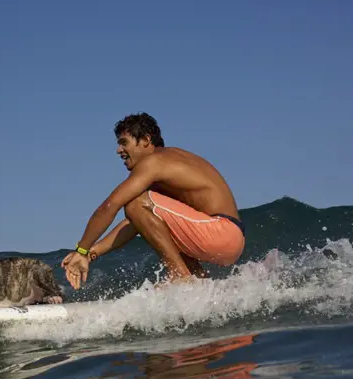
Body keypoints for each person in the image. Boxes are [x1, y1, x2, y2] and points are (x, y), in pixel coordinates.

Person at [61, 112, 245, 290]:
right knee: (149, 217)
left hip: (220, 230)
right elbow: (134, 222)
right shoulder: (169, 163)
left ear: (146, 140)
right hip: (228, 237)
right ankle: (199, 281)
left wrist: (81, 250)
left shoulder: (154, 162)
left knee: (134, 202)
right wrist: (91, 254)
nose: (119, 150)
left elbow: (109, 206)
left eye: (124, 143)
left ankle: (180, 276)